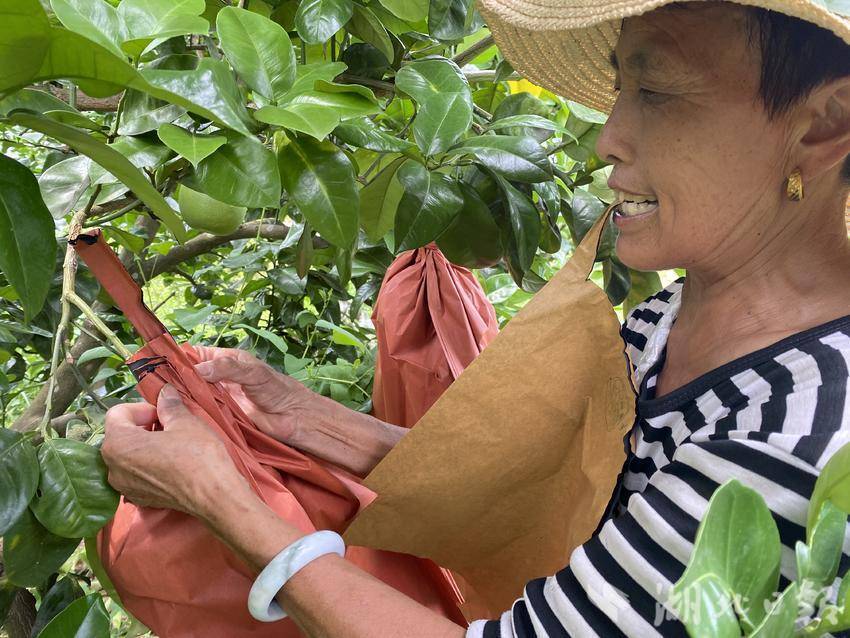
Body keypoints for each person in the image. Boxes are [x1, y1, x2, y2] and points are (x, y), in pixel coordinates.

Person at [101, 0, 850, 635]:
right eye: (620, 89)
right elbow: (565, 499)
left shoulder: (801, 434)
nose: (607, 139)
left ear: (824, 124)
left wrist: (221, 502)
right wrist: (307, 421)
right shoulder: (675, 312)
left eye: (656, 93)